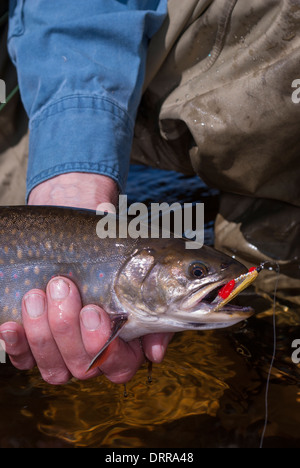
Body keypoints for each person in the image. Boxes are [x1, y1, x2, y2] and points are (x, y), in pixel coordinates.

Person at [0, 0, 299, 385]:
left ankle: (280, 313)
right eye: (196, 272)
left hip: (48, 47)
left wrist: (73, 164)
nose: (203, 276)